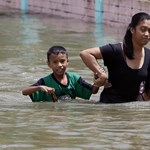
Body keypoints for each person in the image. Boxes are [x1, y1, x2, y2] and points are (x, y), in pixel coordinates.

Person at [80, 12, 150, 103]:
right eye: (143, 29)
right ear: (132, 29)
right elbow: (85, 54)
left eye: (149, 31)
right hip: (108, 107)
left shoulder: (149, 56)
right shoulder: (116, 50)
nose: (147, 34)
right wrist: (101, 73)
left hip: (131, 110)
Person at [22, 46, 103, 102]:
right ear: (49, 64)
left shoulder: (74, 78)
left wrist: (97, 81)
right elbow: (24, 92)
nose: (59, 65)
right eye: (55, 62)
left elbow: (93, 91)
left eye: (62, 61)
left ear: (67, 62)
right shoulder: (45, 81)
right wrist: (39, 87)